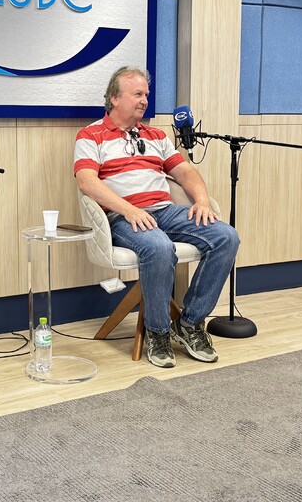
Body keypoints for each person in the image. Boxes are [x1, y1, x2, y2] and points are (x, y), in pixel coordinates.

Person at [74, 66, 240, 368]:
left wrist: (202, 201)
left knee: (226, 236)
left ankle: (189, 323)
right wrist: (128, 209)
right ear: (114, 98)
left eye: (146, 95)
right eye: (137, 94)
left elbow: (185, 171)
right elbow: (87, 182)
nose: (144, 101)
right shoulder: (91, 135)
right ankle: (158, 332)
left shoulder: (156, 135)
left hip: (165, 211)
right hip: (124, 218)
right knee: (159, 247)